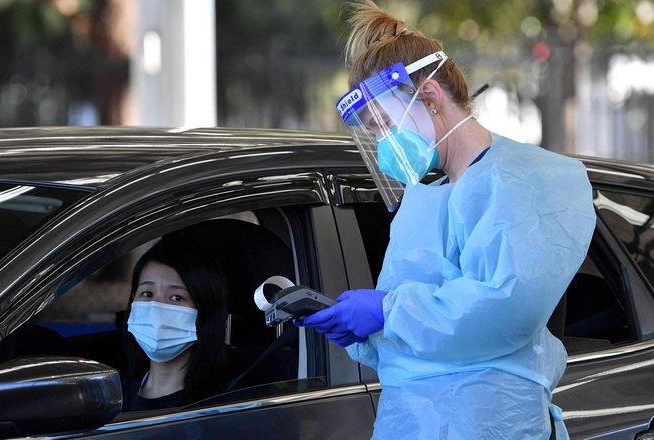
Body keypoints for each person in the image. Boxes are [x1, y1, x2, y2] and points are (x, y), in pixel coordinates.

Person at [297, 1, 596, 439]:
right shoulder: (426, 202)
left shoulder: (525, 181)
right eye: (373, 131)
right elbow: (420, 338)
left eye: (383, 123)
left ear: (431, 97)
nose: (382, 143)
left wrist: (387, 312)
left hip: (492, 422)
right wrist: (363, 331)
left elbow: (504, 309)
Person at [122, 236, 229, 411]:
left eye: (176, 297)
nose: (156, 308)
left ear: (204, 308)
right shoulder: (115, 397)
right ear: (133, 300)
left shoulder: (223, 405)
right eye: (147, 294)